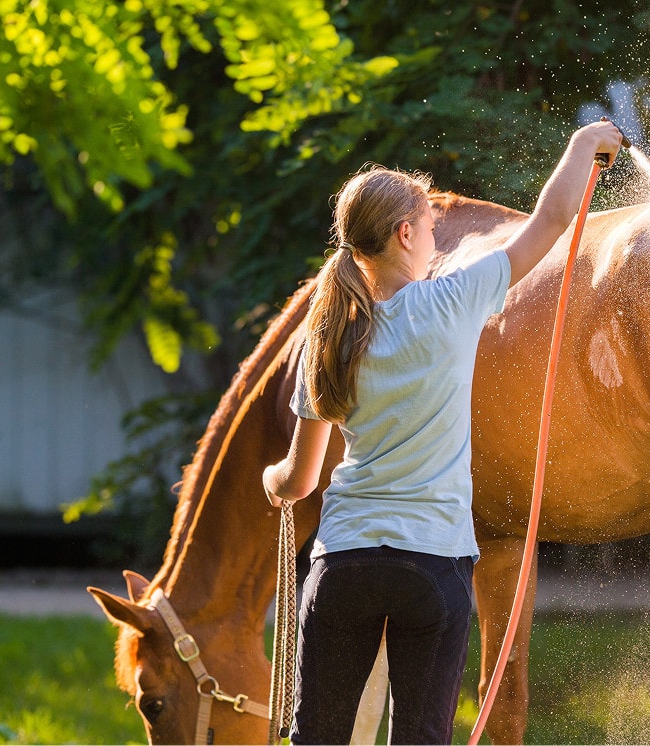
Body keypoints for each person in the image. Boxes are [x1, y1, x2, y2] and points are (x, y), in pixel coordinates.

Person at [261, 119, 626, 745]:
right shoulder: (453, 303)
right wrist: (585, 141)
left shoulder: (330, 336)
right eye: (430, 225)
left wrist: (273, 482)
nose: (437, 235)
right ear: (406, 234)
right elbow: (549, 221)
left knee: (315, 737)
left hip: (343, 562)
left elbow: (299, 479)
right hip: (433, 566)